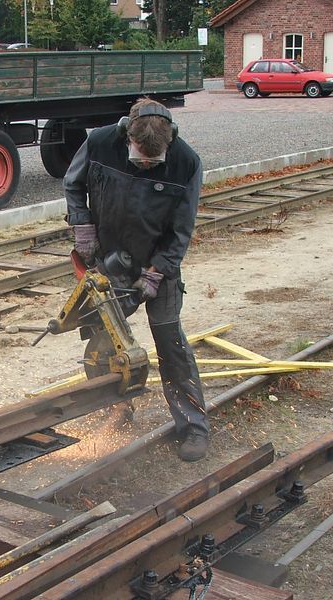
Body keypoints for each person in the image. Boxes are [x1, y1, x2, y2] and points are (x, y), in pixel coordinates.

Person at [63, 97, 209, 462]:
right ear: (126, 136)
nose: (145, 165)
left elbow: (181, 232)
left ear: (170, 141)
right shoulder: (99, 142)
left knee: (170, 341)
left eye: (152, 162)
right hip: (110, 260)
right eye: (139, 157)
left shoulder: (186, 163)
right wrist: (82, 228)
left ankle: (192, 425)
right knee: (102, 341)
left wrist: (156, 273)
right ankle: (115, 409)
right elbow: (72, 183)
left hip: (160, 264)